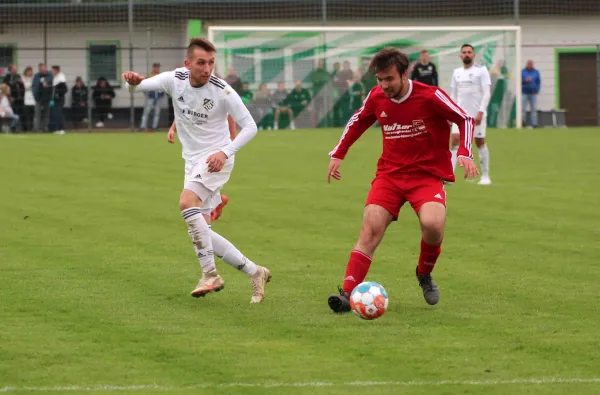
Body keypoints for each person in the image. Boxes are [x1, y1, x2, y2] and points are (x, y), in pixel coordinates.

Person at [326, 48, 478, 313]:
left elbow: (464, 118)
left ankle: (423, 273)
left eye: (390, 79)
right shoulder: (377, 97)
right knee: (370, 229)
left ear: (405, 75)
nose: (384, 85)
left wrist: (464, 151)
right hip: (390, 176)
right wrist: (338, 153)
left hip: (426, 176)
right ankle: (348, 294)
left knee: (433, 224)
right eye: (380, 79)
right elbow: (357, 121)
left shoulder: (430, 96)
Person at [123, 37, 271, 303]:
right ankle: (255, 271)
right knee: (202, 230)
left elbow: (251, 126)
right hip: (192, 162)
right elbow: (140, 87)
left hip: (217, 159)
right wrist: (132, 82)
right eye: (201, 63)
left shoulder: (222, 90)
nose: (207, 68)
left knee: (185, 203)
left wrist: (224, 152)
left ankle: (210, 274)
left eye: (211, 62)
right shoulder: (175, 79)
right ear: (188, 63)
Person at [168, 114, 237, 221]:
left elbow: (229, 113)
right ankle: (216, 202)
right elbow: (181, 110)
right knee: (194, 200)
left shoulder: (218, 99)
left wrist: (232, 140)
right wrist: (173, 128)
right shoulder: (190, 100)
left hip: (213, 151)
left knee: (190, 203)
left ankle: (214, 204)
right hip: (194, 151)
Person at [449, 44, 492, 185]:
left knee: (479, 142)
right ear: (460, 55)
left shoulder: (481, 71)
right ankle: (450, 175)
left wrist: (480, 112)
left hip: (477, 115)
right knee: (455, 140)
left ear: (474, 55)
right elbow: (454, 94)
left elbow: (487, 92)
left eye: (469, 52)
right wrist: (450, 112)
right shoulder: (456, 73)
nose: (466, 54)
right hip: (460, 115)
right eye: (464, 52)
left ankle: (485, 176)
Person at [521, 59, 541, 128]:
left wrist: (537, 90)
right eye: (529, 64)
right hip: (524, 92)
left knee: (533, 109)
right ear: (527, 64)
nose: (530, 65)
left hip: (533, 93)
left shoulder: (536, 72)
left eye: (531, 64)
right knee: (523, 108)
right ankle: (522, 122)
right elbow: (519, 82)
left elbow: (538, 82)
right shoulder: (523, 72)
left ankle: (534, 123)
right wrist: (525, 80)